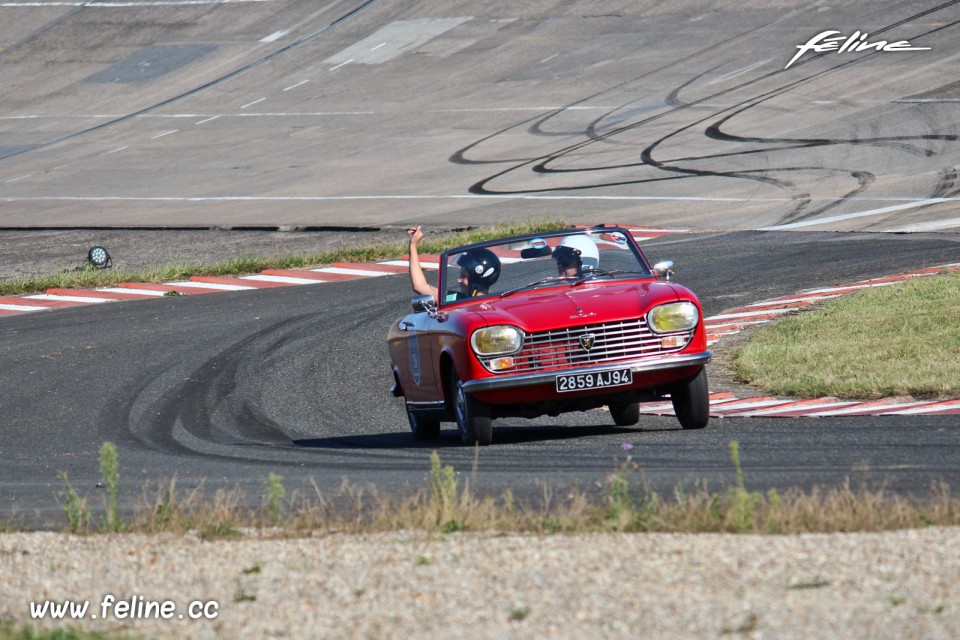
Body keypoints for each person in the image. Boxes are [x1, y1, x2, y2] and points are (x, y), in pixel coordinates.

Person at [406, 226, 501, 301]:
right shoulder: (456, 298)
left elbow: (420, 287)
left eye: (464, 276)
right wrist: (413, 245)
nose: (458, 280)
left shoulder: (459, 301)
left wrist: (413, 245)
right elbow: (421, 287)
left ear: (477, 280)